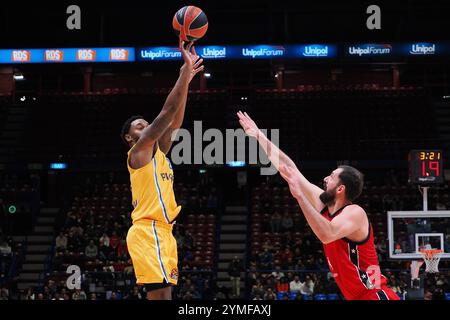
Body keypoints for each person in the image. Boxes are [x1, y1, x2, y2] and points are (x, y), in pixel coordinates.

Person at [237, 111, 399, 300]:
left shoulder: (355, 213)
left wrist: (300, 197)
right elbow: (289, 169)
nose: (325, 179)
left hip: (375, 294)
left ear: (341, 189)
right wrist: (259, 136)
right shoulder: (325, 205)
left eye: (331, 177)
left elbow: (327, 234)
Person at [120, 40, 203, 300]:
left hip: (165, 232)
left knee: (165, 296)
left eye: (146, 123)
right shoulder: (138, 153)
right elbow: (166, 113)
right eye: (139, 126)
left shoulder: (160, 154)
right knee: (161, 297)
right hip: (147, 231)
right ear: (129, 138)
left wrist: (187, 80)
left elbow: (175, 118)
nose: (144, 127)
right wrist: (182, 73)